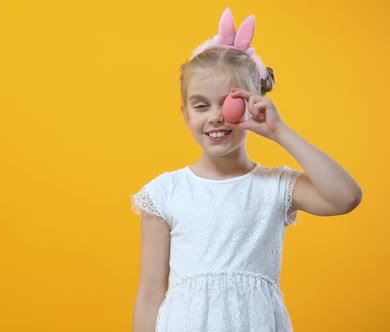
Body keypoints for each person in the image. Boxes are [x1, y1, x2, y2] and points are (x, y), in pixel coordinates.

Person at [129, 7, 362, 332]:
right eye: (201, 105)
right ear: (185, 115)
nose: (215, 117)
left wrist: (280, 132)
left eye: (228, 103)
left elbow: (346, 197)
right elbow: (151, 295)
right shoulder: (165, 193)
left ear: (254, 103)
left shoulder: (276, 186)